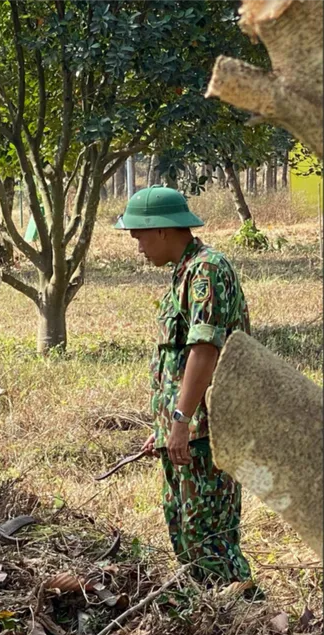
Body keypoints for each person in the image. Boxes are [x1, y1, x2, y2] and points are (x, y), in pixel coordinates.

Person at [115, 185, 252, 584]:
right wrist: (164, 427)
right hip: (186, 429)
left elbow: (205, 351)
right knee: (186, 532)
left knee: (209, 537)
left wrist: (180, 420)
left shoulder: (206, 270)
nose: (138, 246)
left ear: (162, 229)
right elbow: (178, 359)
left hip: (206, 431)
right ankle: (210, 611)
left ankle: (240, 609)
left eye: (139, 235)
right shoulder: (184, 272)